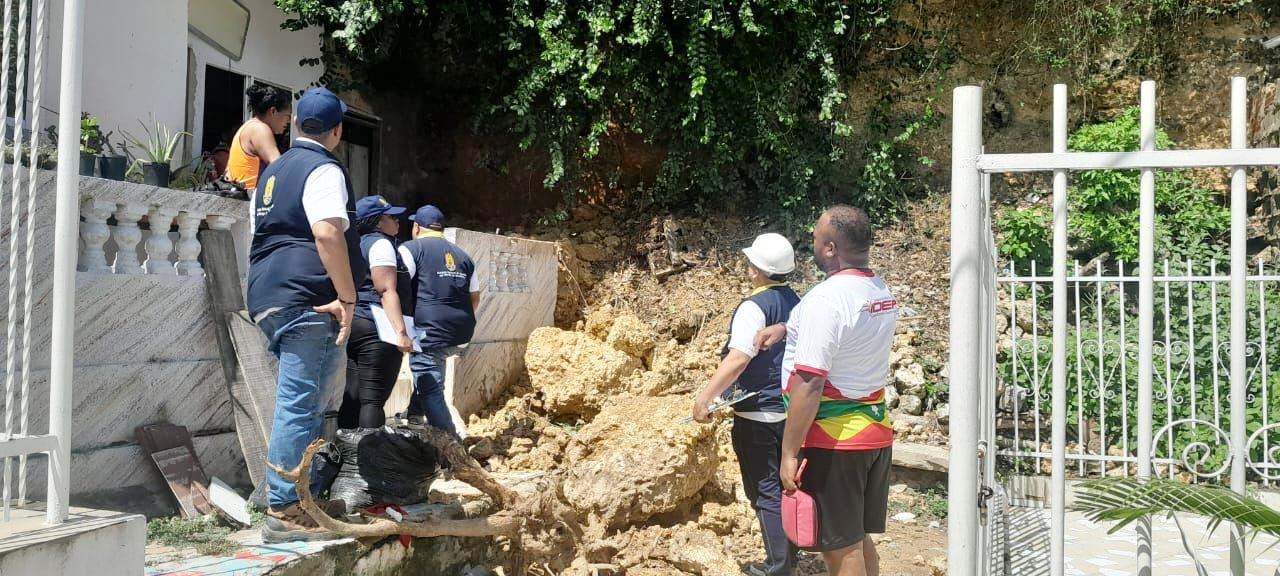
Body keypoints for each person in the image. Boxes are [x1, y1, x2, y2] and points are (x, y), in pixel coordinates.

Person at [246, 87, 364, 543]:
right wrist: (347, 296)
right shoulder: (324, 169)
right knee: (302, 401)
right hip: (309, 297)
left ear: (295, 125)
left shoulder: (274, 174)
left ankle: (307, 498)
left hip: (268, 293)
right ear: (337, 131)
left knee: (315, 401)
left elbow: (264, 236)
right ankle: (285, 508)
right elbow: (327, 232)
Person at [759, 206, 897, 576]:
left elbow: (810, 382)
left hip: (834, 442)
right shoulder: (878, 290)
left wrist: (789, 453)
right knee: (857, 538)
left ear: (832, 248)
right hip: (872, 432)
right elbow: (847, 332)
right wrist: (789, 329)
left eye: (818, 238)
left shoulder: (826, 299)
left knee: (839, 550)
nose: (813, 244)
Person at [691, 232, 801, 576]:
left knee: (765, 489)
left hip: (759, 413)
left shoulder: (754, 306)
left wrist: (705, 397)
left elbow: (739, 358)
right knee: (787, 485)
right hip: (793, 410)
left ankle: (779, 567)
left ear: (757, 270)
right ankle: (790, 557)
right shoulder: (798, 303)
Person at [397, 205, 480, 436]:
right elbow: (474, 297)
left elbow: (399, 288)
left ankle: (451, 445)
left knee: (431, 385)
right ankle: (414, 415)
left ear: (416, 227)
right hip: (461, 332)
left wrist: (400, 327)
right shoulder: (464, 256)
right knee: (430, 372)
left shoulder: (411, 249)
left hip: (428, 330)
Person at [336, 195, 413, 432]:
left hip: (355, 322)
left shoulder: (354, 244)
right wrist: (401, 332)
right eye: (391, 216)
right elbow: (386, 289)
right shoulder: (381, 245)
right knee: (373, 400)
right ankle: (371, 460)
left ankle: (346, 457)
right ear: (378, 222)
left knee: (353, 394)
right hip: (377, 326)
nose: (397, 221)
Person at [228, 84, 291, 192]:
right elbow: (280, 168)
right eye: (287, 116)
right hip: (246, 201)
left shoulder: (249, 126)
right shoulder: (260, 129)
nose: (288, 121)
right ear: (273, 111)